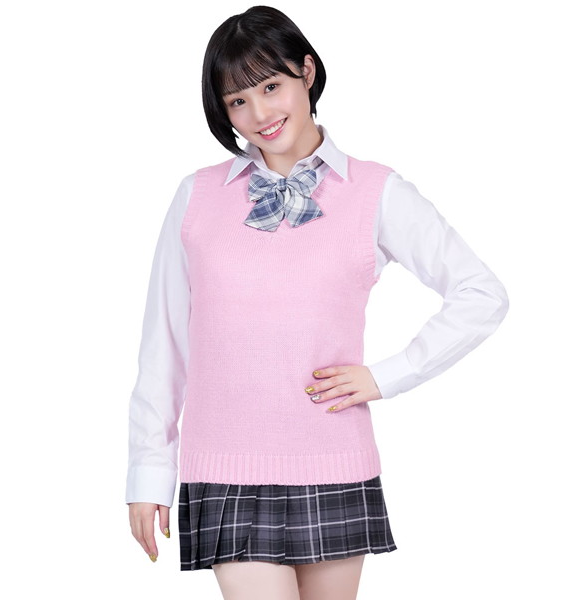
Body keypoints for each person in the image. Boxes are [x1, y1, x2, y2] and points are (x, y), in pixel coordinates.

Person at [126, 5, 509, 599]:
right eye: (237, 100)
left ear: (306, 72)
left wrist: (386, 376)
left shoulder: (375, 190)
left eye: (270, 87)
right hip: (226, 466)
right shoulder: (196, 197)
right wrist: (149, 471)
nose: (259, 114)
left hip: (333, 458)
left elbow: (481, 293)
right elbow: (165, 345)